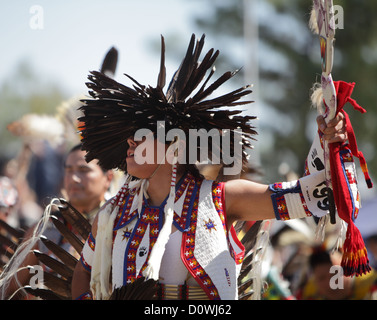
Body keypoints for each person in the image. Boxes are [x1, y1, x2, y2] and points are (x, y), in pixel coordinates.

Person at [69, 34, 362, 301]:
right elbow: (83, 271)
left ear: (174, 145)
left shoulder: (221, 197)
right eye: (130, 135)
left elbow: (308, 197)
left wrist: (329, 140)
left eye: (143, 133)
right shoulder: (115, 211)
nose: (130, 142)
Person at [0, 144, 114, 299]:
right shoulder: (46, 228)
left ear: (108, 178)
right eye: (68, 170)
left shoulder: (121, 224)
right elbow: (11, 290)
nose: (73, 178)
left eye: (83, 170)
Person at [296, 247, 377, 300]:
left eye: (335, 274)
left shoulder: (371, 283)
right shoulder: (307, 293)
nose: (331, 283)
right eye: (321, 278)